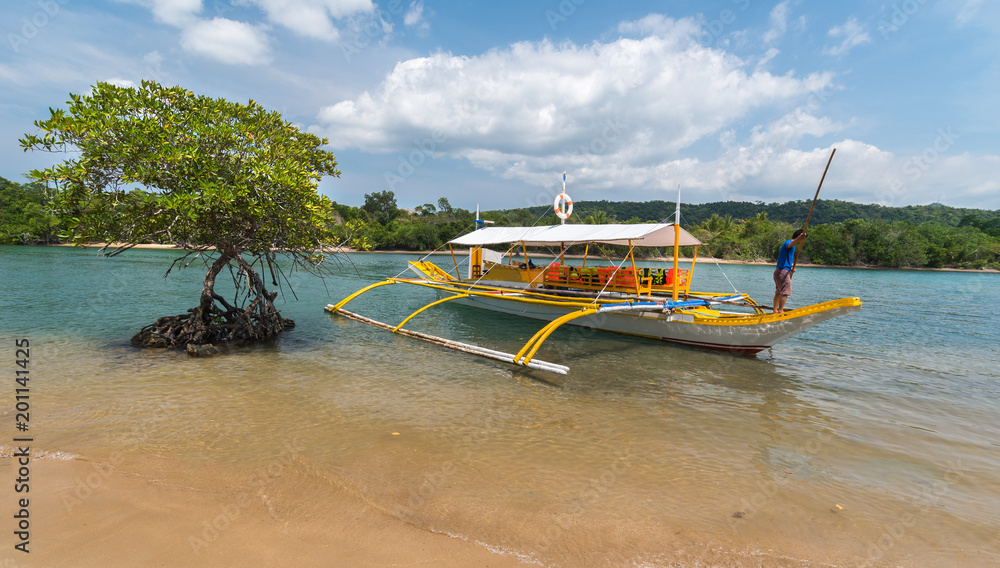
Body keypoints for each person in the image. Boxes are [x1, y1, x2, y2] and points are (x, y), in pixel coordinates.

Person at [773, 228, 807, 314]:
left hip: (779, 271)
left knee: (778, 292)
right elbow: (791, 244)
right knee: (785, 292)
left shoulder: (791, 244)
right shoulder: (788, 243)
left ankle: (775, 311)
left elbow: (785, 260)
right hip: (782, 272)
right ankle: (780, 310)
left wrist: (790, 268)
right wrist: (800, 237)